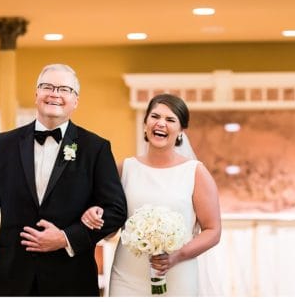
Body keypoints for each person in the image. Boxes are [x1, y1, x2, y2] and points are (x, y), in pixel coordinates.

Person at [0, 64, 127, 296]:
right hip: (11, 277)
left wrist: (66, 238)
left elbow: (116, 210)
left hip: (71, 277)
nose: (55, 94)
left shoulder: (95, 148)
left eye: (64, 89)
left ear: (75, 100)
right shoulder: (4, 145)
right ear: (37, 94)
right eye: (47, 87)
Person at [82, 93, 221, 296]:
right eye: (155, 116)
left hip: (178, 275)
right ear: (145, 123)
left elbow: (213, 230)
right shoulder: (124, 169)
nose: (161, 124)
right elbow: (111, 228)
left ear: (181, 130)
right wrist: (96, 216)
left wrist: (177, 256)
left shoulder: (195, 172)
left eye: (170, 119)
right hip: (127, 277)